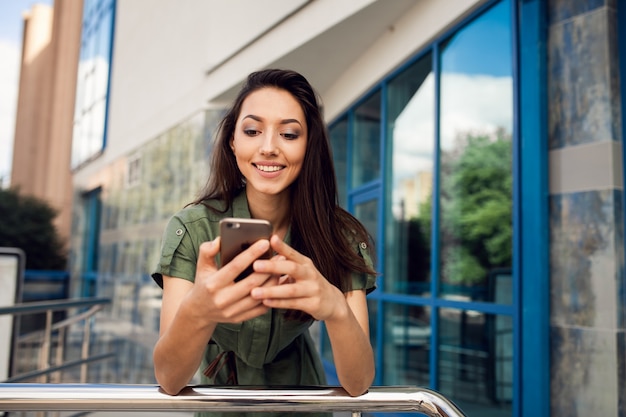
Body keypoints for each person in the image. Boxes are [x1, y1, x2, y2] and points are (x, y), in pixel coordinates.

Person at [151, 68, 377, 416]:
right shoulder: (192, 229)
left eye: (288, 133)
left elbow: (359, 382)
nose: (269, 148)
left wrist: (334, 308)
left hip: (304, 405)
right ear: (233, 141)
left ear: (309, 144)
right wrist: (198, 312)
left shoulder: (339, 235)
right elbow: (168, 379)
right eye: (252, 131)